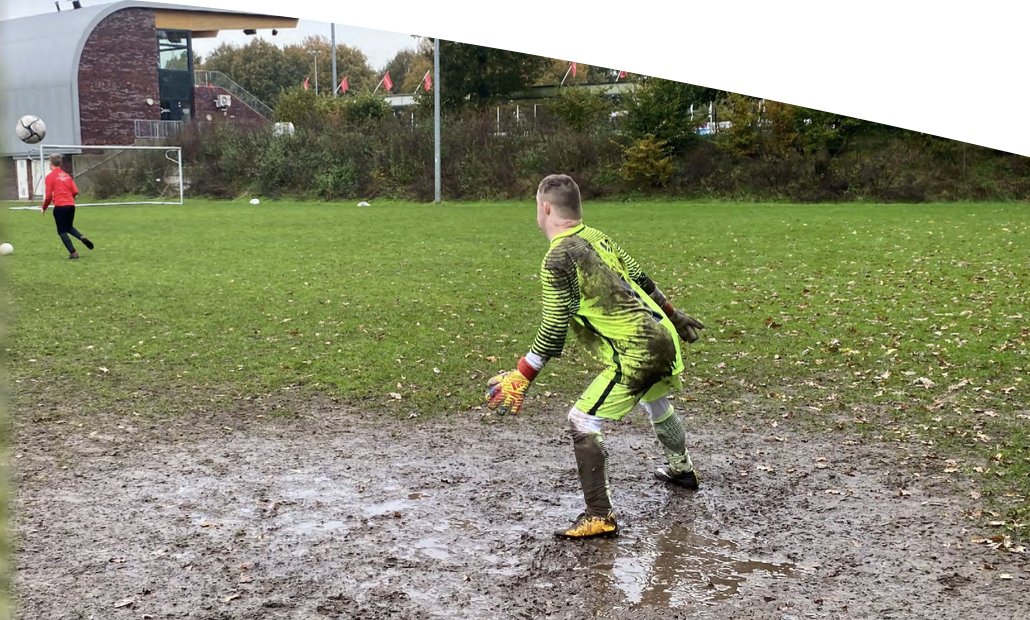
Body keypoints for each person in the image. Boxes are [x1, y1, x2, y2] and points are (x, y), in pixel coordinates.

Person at [486, 173, 705, 540]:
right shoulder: (596, 236)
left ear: (544, 208)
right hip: (660, 338)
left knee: (582, 419)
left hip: (638, 349)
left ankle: (599, 515)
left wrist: (523, 374)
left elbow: (555, 327)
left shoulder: (558, 257)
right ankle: (681, 469)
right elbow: (642, 278)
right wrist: (674, 315)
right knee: (656, 403)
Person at [41, 154, 93, 259]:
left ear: (50, 164)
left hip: (60, 206)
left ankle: (73, 253)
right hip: (71, 205)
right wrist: (70, 199)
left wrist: (44, 207)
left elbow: (48, 196)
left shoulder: (50, 177)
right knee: (69, 227)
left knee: (62, 231)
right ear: (60, 163)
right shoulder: (67, 176)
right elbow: (75, 191)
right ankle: (82, 237)